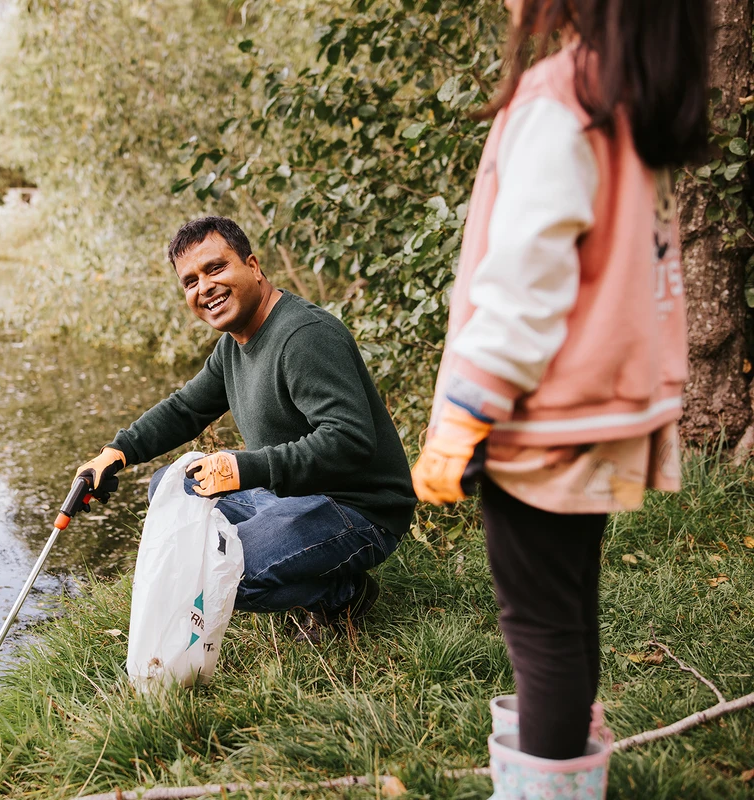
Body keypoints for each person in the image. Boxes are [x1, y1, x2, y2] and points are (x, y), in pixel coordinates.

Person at [411, 0, 710, 794]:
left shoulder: (555, 99)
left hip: (542, 416)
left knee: (538, 631)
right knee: (568, 618)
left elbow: (524, 286)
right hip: (607, 412)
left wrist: (465, 412)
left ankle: (546, 779)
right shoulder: (625, 92)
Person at [73, 216, 416, 639]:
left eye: (216, 268)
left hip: (357, 509)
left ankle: (342, 593)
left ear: (253, 267)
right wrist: (116, 453)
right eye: (190, 281)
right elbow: (185, 409)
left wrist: (243, 469)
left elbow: (349, 440)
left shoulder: (305, 336)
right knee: (169, 485)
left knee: (216, 578)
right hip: (290, 495)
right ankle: (308, 572)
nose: (204, 288)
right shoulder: (233, 345)